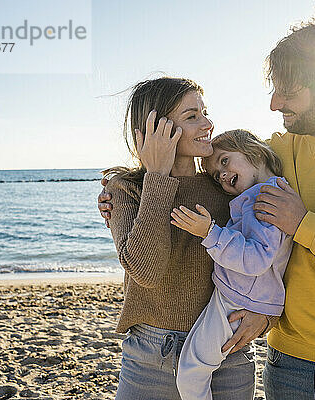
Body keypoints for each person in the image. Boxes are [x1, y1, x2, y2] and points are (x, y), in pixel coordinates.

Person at [100, 17, 315, 399]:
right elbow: (156, 261)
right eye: (274, 90)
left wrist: (302, 228)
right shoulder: (269, 157)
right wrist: (138, 187)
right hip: (284, 362)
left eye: (287, 92)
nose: (274, 103)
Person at [101, 77, 273, 400]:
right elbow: (146, 271)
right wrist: (156, 177)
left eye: (205, 112)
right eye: (192, 116)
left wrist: (267, 315)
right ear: (156, 129)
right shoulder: (125, 190)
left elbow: (267, 254)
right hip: (151, 357)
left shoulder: (225, 189)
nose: (208, 123)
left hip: (227, 351)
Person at [170, 129, 293, 400]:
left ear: (256, 152)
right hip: (236, 294)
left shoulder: (265, 200)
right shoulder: (257, 195)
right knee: (192, 364)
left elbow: (257, 259)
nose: (222, 175)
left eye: (224, 161)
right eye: (217, 175)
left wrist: (210, 233)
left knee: (192, 372)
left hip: (238, 302)